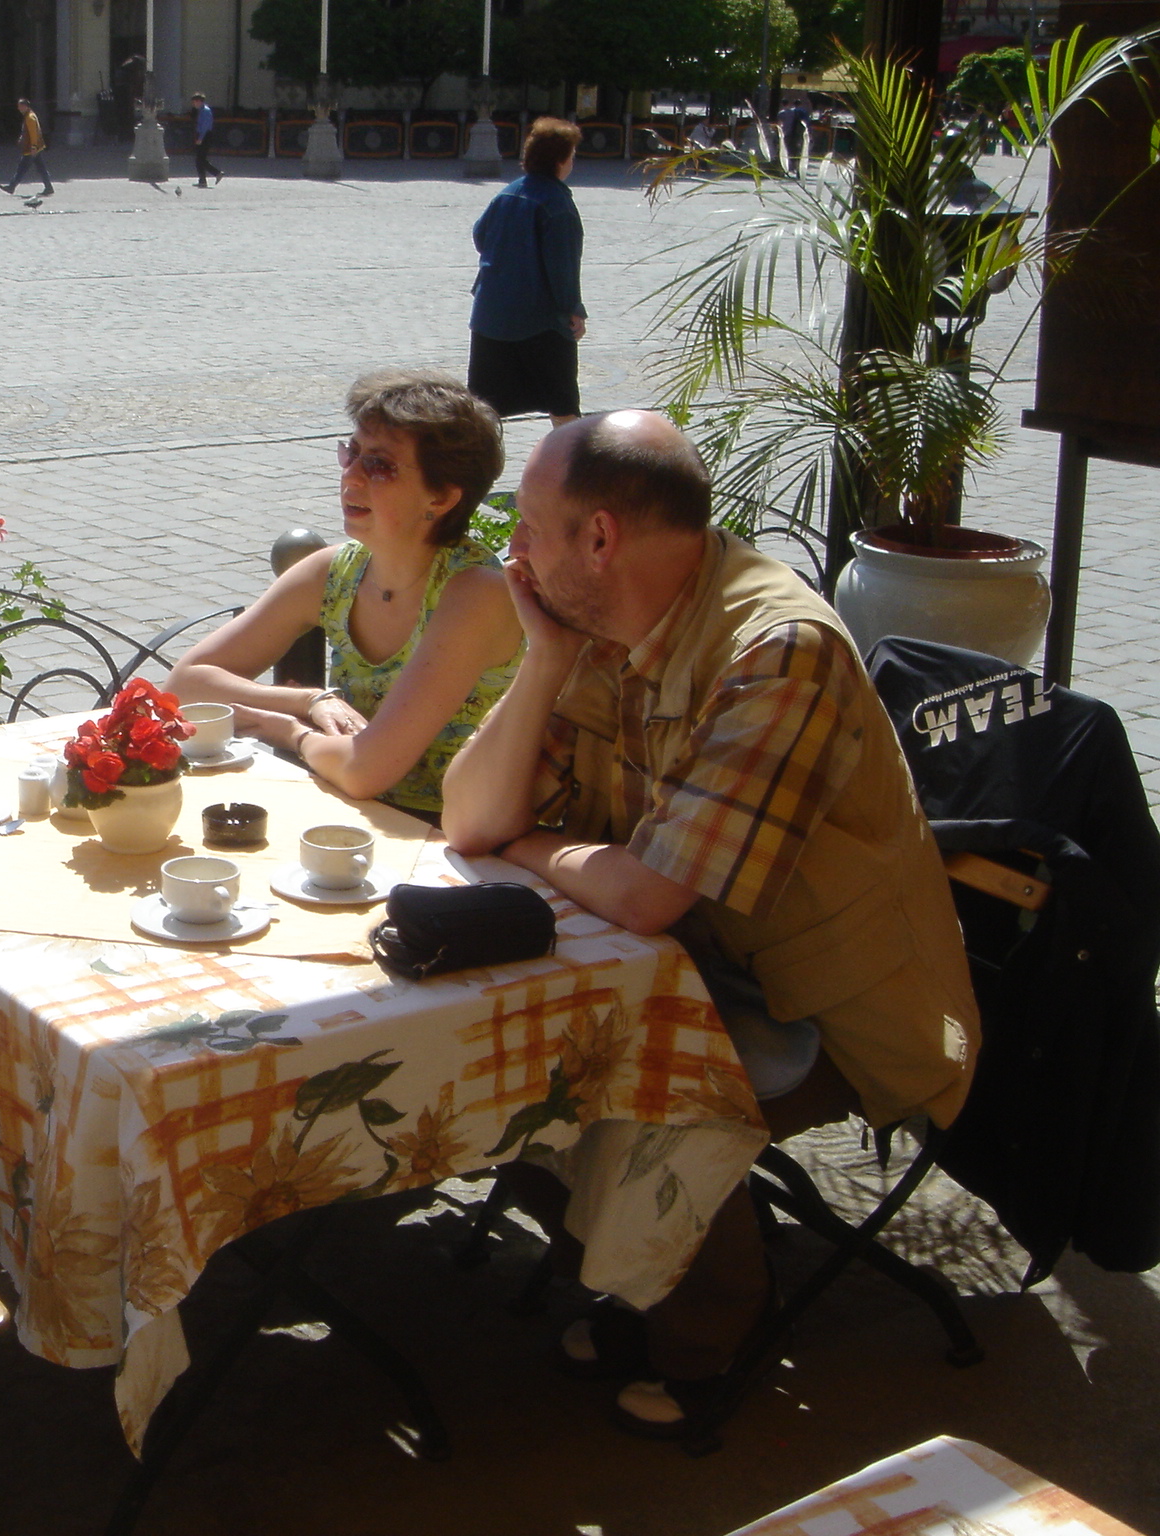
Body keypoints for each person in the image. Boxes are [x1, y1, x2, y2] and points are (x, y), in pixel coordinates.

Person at [440, 410, 979, 1435]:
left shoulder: (776, 650)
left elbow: (648, 895)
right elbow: (469, 820)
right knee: (501, 1039)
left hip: (834, 1011)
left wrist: (531, 847)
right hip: (689, 967)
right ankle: (635, 1281)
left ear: (600, 538)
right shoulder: (604, 621)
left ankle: (709, 1332)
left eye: (530, 529)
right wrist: (542, 662)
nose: (514, 555)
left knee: (626, 1072)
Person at [163, 370, 521, 822]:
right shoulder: (336, 572)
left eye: (379, 465)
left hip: (448, 835)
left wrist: (288, 732)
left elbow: (366, 770)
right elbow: (182, 687)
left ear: (442, 497)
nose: (351, 476)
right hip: (350, 813)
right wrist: (309, 701)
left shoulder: (475, 593)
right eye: (351, 453)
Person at [467, 117, 587, 429]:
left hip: (491, 315)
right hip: (539, 321)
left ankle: (478, 461)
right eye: (572, 155)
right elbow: (563, 267)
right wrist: (573, 310)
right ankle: (566, 459)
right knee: (562, 406)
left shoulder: (507, 193)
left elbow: (480, 235)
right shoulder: (557, 204)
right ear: (560, 160)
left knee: (485, 410)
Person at [1, 96, 54, 196]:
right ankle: (48, 187)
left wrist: (33, 146)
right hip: (36, 147)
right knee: (41, 168)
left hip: (31, 148)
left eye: (20, 106)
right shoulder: (30, 115)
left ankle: (11, 186)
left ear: (25, 106)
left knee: (22, 169)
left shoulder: (29, 117)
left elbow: (33, 133)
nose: (18, 108)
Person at [191, 91, 222, 187]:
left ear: (199, 101)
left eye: (195, 102)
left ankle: (217, 173)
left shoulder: (205, 111)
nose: (194, 104)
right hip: (201, 135)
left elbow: (205, 126)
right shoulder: (201, 111)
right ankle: (202, 180)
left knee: (201, 159)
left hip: (205, 136)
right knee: (199, 159)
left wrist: (200, 138)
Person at [776, 96, 811, 174]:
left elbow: (779, 123)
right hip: (796, 134)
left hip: (784, 134)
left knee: (785, 150)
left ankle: (785, 168)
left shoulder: (781, 113)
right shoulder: (795, 112)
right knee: (797, 151)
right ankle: (797, 168)